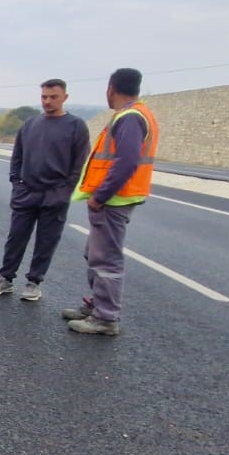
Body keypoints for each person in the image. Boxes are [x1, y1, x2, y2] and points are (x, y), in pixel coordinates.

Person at [65, 68, 161, 336]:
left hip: (113, 201)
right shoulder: (135, 114)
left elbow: (126, 161)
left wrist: (100, 196)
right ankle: (98, 305)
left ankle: (105, 317)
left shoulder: (130, 118)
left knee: (106, 259)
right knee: (95, 253)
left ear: (111, 88)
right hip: (117, 199)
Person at [0, 78, 90, 301]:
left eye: (53, 97)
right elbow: (17, 156)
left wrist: (65, 191)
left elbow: (79, 163)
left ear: (65, 97)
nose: (48, 101)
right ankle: (5, 278)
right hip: (27, 192)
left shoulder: (76, 126)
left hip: (55, 194)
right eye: (44, 97)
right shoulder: (31, 124)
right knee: (16, 237)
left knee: (46, 241)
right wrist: (17, 183)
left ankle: (34, 282)